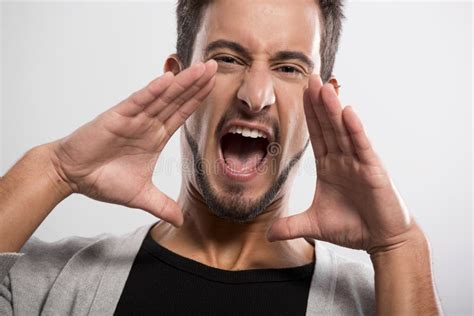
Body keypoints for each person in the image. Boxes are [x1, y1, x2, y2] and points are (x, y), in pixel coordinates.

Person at [0, 0, 443, 315]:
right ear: (175, 80)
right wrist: (52, 169)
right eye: (228, 59)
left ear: (322, 102)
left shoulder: (377, 305)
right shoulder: (53, 286)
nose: (255, 97)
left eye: (289, 68)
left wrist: (400, 247)